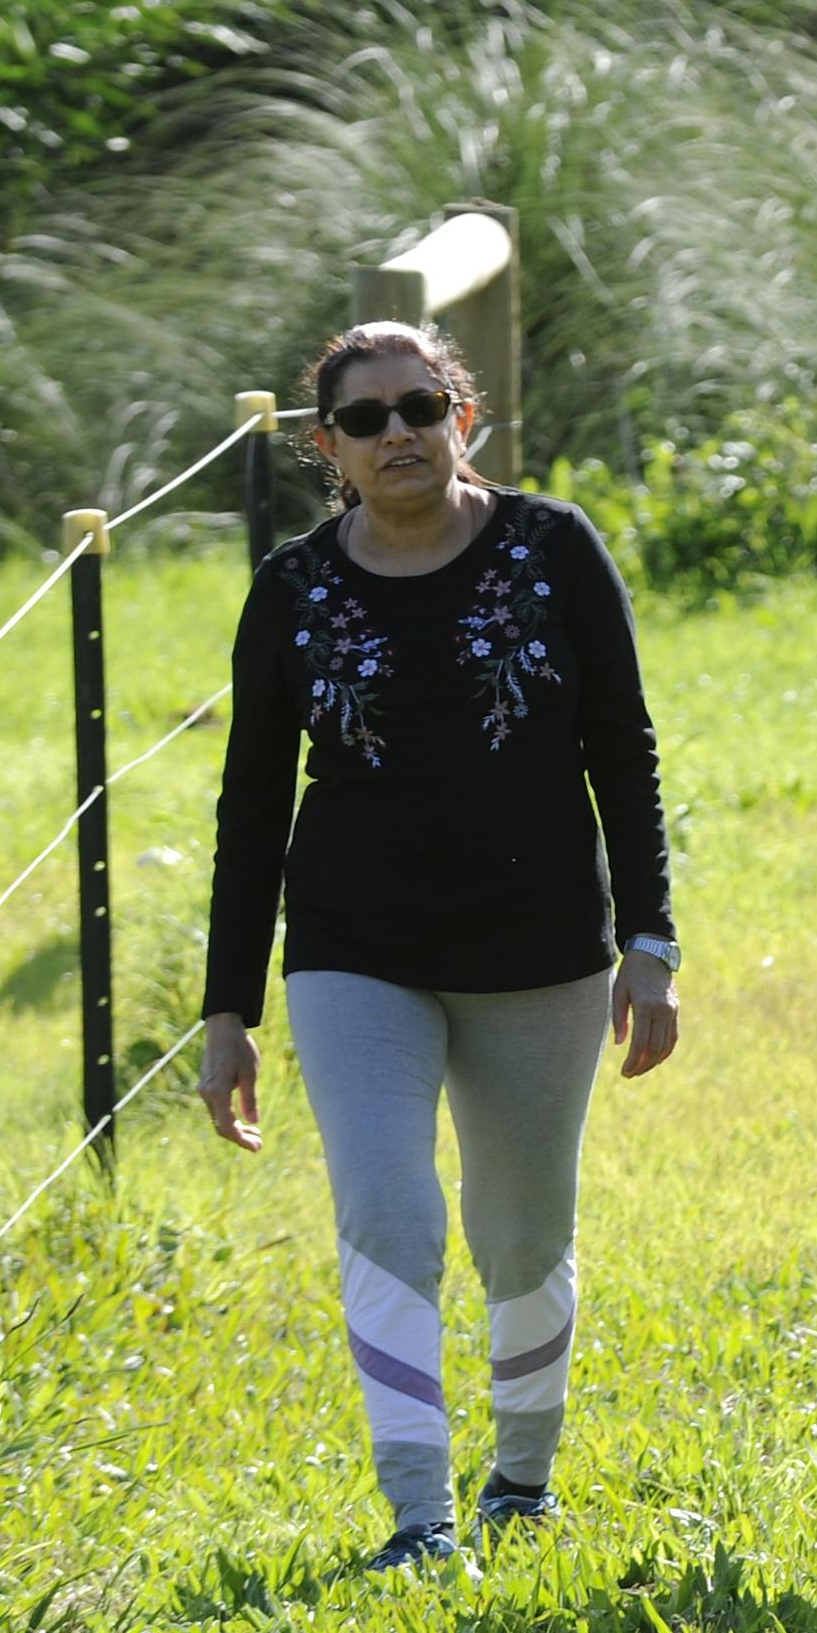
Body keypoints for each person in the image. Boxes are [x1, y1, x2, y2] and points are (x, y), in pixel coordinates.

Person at [195, 317, 682, 1565]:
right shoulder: (293, 590)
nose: (397, 433)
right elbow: (251, 803)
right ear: (329, 449)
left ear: (463, 418)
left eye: (420, 406)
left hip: (542, 951)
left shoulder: (552, 548)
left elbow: (621, 748)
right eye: (365, 419)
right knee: (388, 1211)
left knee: (522, 1233)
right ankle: (420, 1514)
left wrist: (652, 940)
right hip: (355, 948)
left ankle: (521, 1480)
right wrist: (227, 1010)